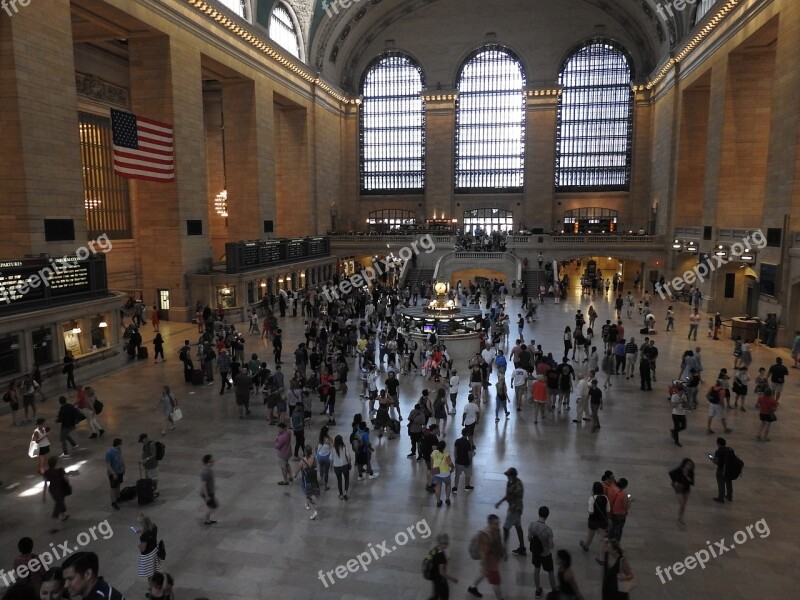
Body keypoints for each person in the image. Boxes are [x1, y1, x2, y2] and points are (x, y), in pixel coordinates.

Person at [467, 514, 506, 599]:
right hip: (489, 563)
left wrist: (503, 553)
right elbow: (483, 553)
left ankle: (472, 587)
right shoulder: (485, 536)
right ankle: (500, 598)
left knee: (483, 574)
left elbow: (499, 542)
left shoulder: (497, 530)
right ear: (490, 524)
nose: (497, 526)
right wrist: (484, 566)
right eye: (495, 524)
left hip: (494, 559)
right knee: (496, 582)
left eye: (498, 523)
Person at [495, 467, 525, 555]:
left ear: (512, 476)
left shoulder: (517, 486)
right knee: (518, 527)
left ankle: (503, 549)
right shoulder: (512, 482)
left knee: (505, 528)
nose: (507, 477)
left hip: (514, 509)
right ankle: (522, 547)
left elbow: (508, 496)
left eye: (508, 475)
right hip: (515, 508)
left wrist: (499, 502)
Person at [527, 506, 555, 598]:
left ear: (538, 513)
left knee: (536, 569)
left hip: (536, 553)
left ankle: (538, 590)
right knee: (550, 571)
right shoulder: (548, 530)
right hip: (545, 554)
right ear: (547, 516)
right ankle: (554, 591)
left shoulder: (531, 525)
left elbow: (529, 538)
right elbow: (551, 546)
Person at [579, 481, 608, 563]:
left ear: (593, 489)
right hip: (602, 521)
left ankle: (586, 546)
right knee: (601, 539)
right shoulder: (605, 498)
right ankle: (601, 559)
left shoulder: (592, 498)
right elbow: (608, 509)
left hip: (593, 521)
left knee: (590, 535)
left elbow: (590, 512)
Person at [42, 456, 70, 534]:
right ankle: (53, 526)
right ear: (56, 464)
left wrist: (44, 495)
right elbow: (66, 480)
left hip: (52, 491)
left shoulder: (47, 472)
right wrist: (67, 475)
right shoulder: (60, 470)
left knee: (60, 501)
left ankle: (64, 515)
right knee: (58, 505)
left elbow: (45, 484)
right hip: (60, 490)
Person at [427, 533, 458, 600]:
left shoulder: (435, 549)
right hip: (440, 580)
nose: (447, 545)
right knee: (444, 596)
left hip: (434, 577)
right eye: (446, 543)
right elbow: (442, 573)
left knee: (436, 595)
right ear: (442, 544)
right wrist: (452, 579)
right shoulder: (441, 556)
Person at [294, 444, 320, 520]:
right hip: (313, 479)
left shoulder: (303, 461)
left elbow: (297, 470)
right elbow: (315, 467)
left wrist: (295, 475)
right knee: (308, 493)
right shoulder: (314, 459)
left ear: (305, 452)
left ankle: (314, 511)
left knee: (308, 495)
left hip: (306, 481)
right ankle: (307, 505)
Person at [135, 513, 161, 584]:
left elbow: (143, 549)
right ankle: (158, 585)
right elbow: (149, 533)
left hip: (148, 556)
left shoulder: (144, 536)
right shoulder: (154, 527)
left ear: (142, 523)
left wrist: (139, 546)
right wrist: (142, 531)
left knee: (150, 575)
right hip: (155, 551)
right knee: (155, 571)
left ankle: (152, 591)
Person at [669, 458, 695, 526]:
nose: (690, 466)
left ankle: (680, 517)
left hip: (686, 489)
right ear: (685, 464)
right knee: (682, 504)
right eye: (688, 464)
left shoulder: (691, 472)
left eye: (691, 465)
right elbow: (671, 473)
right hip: (679, 488)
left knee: (684, 505)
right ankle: (680, 518)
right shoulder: (679, 470)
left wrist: (687, 477)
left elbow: (692, 483)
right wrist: (674, 482)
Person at [431, 439, 454, 507]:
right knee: (448, 484)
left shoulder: (434, 453)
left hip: (437, 472)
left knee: (438, 486)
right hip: (445, 473)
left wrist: (432, 470)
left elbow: (431, 463)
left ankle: (438, 502)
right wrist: (453, 467)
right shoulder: (446, 454)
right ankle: (447, 499)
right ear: (444, 447)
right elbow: (449, 463)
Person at [712, 437, 734, 503]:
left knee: (721, 483)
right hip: (729, 469)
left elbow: (716, 462)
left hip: (721, 469)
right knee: (728, 482)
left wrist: (712, 459)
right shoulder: (730, 449)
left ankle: (721, 498)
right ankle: (729, 496)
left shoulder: (718, 451)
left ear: (718, 444)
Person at [105, 438, 125, 511]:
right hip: (113, 473)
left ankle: (118, 497)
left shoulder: (119, 450)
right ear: (118, 444)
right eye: (121, 444)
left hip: (119, 471)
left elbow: (120, 458)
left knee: (118, 484)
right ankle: (113, 503)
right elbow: (108, 465)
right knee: (113, 488)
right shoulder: (109, 453)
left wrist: (124, 467)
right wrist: (113, 473)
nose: (122, 445)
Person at [452, 428, 474, 494]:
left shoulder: (457, 441)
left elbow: (455, 451)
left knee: (457, 475)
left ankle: (455, 487)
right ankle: (467, 486)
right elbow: (469, 454)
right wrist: (470, 461)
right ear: (467, 434)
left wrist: (456, 459)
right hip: (466, 462)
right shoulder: (468, 443)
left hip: (458, 461)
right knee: (467, 474)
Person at [331, 434, 351, 500]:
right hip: (345, 465)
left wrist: (331, 467)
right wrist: (349, 463)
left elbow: (331, 458)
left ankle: (341, 495)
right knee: (347, 479)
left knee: (339, 480)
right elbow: (348, 456)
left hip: (336, 466)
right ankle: (346, 491)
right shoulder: (344, 447)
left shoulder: (333, 449)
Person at [200, 454, 218, 525]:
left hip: (210, 492)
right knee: (213, 507)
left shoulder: (208, 470)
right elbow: (203, 485)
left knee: (210, 506)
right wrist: (207, 495)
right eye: (211, 461)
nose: (213, 462)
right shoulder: (206, 473)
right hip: (208, 493)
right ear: (207, 463)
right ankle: (206, 520)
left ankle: (207, 520)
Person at [670, 381, 688, 447]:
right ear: (678, 391)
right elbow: (673, 406)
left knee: (684, 426)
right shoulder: (674, 396)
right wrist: (679, 402)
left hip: (682, 413)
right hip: (675, 414)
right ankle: (676, 441)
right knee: (676, 426)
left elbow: (686, 404)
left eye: (683, 391)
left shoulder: (684, 396)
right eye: (681, 392)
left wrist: (684, 402)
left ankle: (674, 431)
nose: (682, 393)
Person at [316, 426, 333, 491]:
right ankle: (326, 485)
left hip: (320, 457)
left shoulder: (319, 438)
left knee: (321, 467)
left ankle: (321, 479)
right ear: (327, 432)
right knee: (326, 471)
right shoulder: (329, 439)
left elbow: (317, 446)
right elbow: (332, 447)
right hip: (326, 457)